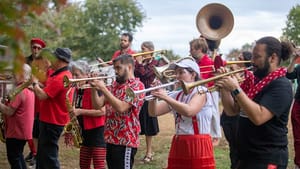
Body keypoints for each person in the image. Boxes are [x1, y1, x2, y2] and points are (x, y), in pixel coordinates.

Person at [216, 36, 293, 169]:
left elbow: (259, 117)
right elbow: (232, 111)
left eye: (257, 57)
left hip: (267, 158)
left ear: (273, 58)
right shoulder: (253, 82)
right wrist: (224, 87)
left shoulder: (281, 85)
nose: (252, 61)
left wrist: (235, 89)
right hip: (245, 155)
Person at [148, 57, 215, 169]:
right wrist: (153, 97)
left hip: (198, 142)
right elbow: (153, 112)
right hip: (180, 142)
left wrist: (165, 97)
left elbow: (189, 110)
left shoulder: (201, 91)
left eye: (181, 73)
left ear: (193, 75)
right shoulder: (177, 95)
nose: (177, 76)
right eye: (176, 73)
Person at [90, 54, 145, 169]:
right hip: (110, 139)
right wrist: (94, 89)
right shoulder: (114, 85)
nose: (115, 71)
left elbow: (121, 107)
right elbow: (97, 105)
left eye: (118, 68)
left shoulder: (137, 86)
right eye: (114, 68)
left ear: (129, 67)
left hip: (126, 141)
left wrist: (104, 88)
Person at [32, 47, 73, 169]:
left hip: (52, 122)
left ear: (60, 60)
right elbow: (47, 90)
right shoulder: (59, 74)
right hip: (49, 120)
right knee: (43, 155)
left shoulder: (61, 77)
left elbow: (42, 95)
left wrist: (34, 83)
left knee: (49, 156)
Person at [69, 60, 107, 169]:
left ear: (86, 74)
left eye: (77, 75)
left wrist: (80, 111)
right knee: (84, 165)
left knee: (98, 165)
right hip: (84, 132)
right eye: (73, 74)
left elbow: (102, 111)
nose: (75, 78)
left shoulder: (95, 87)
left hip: (97, 132)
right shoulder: (77, 90)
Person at [220, 51, 253, 169]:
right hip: (228, 116)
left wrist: (237, 76)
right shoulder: (234, 74)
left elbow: (245, 93)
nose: (235, 60)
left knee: (241, 151)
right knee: (233, 149)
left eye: (240, 58)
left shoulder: (250, 75)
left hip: (240, 118)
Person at [0, 64, 35, 169]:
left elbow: (9, 111)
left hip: (17, 131)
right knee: (18, 155)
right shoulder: (29, 89)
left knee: (14, 157)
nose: (13, 75)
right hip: (23, 131)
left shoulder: (20, 91)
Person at [189, 38, 221, 146]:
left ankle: (216, 136)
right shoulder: (195, 62)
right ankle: (206, 133)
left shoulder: (208, 62)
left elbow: (207, 79)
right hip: (201, 89)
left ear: (200, 49)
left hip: (211, 90)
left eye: (192, 49)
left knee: (214, 112)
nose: (190, 51)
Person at [134, 41, 160, 163]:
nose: (141, 52)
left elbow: (145, 75)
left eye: (143, 49)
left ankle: (149, 152)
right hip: (139, 96)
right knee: (137, 124)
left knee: (149, 126)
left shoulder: (155, 63)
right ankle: (134, 149)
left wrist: (139, 63)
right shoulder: (140, 63)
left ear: (150, 50)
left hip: (149, 97)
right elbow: (135, 75)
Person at [25, 37, 47, 166]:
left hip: (38, 98)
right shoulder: (25, 61)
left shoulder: (44, 64)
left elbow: (45, 83)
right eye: (34, 47)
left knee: (36, 128)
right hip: (27, 97)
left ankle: (36, 154)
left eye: (39, 48)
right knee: (28, 126)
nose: (36, 50)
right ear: (31, 48)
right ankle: (33, 151)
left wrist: (34, 85)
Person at [286, 46, 300, 169]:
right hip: (299, 103)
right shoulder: (299, 67)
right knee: (298, 136)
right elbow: (288, 75)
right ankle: (298, 163)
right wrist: (294, 59)